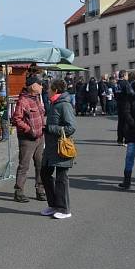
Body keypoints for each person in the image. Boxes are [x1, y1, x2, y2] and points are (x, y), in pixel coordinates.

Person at [40, 80, 76, 219]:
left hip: (61, 147)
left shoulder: (64, 105)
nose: (47, 91)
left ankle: (64, 209)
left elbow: (71, 127)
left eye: (49, 89)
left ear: (55, 90)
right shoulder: (54, 103)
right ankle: (54, 205)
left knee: (62, 178)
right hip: (51, 148)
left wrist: (50, 128)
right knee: (44, 174)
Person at [11, 75, 46, 202]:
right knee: (24, 166)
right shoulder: (23, 100)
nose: (42, 86)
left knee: (40, 165)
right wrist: (29, 130)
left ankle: (40, 190)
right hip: (27, 139)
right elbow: (16, 119)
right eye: (40, 84)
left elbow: (41, 115)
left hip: (40, 138)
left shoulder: (37, 98)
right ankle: (19, 192)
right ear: (33, 86)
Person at [116, 71, 132, 145]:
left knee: (120, 122)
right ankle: (126, 139)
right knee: (126, 123)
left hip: (119, 104)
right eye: (127, 75)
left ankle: (119, 139)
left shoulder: (117, 83)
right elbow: (129, 93)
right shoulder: (126, 83)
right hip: (126, 104)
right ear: (124, 75)